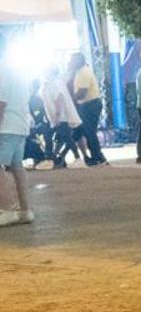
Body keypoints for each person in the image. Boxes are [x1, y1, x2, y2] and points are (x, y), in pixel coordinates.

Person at [0, 39, 33, 226]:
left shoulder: (2, 69)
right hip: (19, 125)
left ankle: (6, 209)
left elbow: (0, 103)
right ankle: (25, 210)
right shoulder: (17, 70)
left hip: (6, 126)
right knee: (17, 167)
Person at [66, 52, 107, 166]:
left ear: (79, 61)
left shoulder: (84, 72)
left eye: (73, 60)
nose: (71, 63)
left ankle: (97, 157)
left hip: (90, 104)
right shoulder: (80, 72)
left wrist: (70, 101)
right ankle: (98, 156)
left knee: (89, 132)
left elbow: (82, 92)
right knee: (88, 132)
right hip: (87, 104)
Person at [40, 68, 84, 168]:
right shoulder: (54, 83)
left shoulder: (54, 83)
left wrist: (57, 115)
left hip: (60, 117)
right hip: (57, 117)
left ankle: (77, 158)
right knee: (63, 137)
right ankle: (54, 158)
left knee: (66, 137)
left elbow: (59, 98)